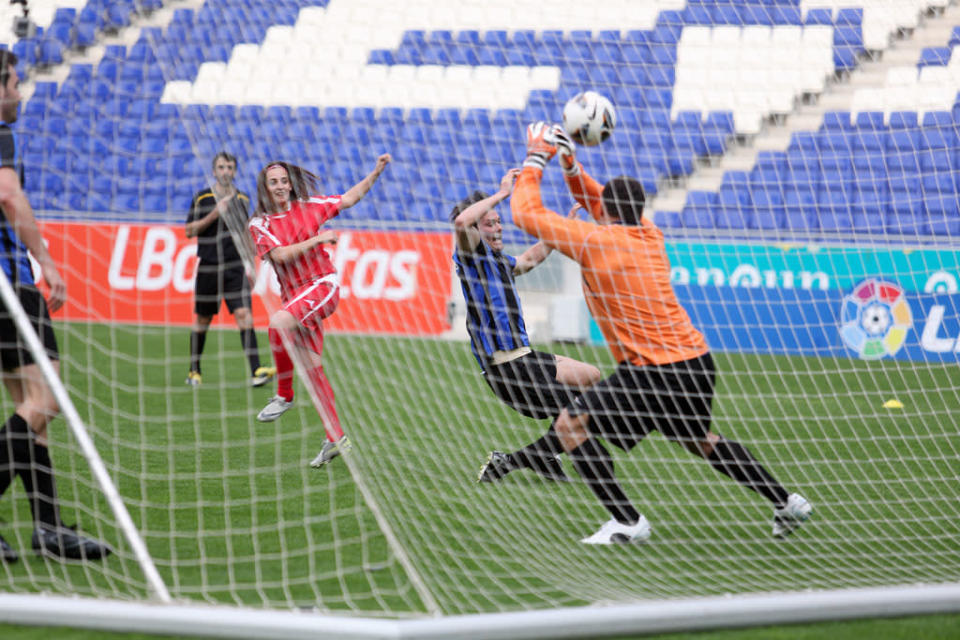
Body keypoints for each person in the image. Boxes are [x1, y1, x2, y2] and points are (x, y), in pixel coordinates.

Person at [510, 122, 812, 544]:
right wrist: (571, 163)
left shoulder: (595, 240)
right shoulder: (649, 233)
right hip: (696, 362)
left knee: (570, 424)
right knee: (700, 440)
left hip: (653, 369)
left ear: (606, 213)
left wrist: (537, 157)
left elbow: (525, 215)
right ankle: (786, 502)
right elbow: (599, 199)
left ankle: (627, 522)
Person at [0, 50, 111, 561]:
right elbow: (9, 197)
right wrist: (45, 260)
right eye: (14, 84)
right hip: (11, 284)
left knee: (28, 405)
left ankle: (47, 527)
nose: (18, 94)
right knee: (46, 399)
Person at [450, 168, 602, 483]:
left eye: (498, 221)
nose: (498, 227)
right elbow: (462, 223)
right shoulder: (470, 256)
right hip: (507, 367)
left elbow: (531, 259)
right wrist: (502, 194)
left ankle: (533, 458)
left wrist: (560, 229)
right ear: (478, 230)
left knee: (592, 378)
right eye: (490, 223)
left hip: (526, 358)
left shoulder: (500, 262)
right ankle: (527, 460)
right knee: (573, 414)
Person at [249, 155, 390, 467]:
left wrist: (376, 171)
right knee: (312, 368)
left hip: (321, 286)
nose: (281, 186)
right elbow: (281, 255)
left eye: (284, 181)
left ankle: (284, 395)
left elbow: (351, 197)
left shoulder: (310, 205)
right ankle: (334, 437)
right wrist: (319, 238)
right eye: (274, 182)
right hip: (295, 296)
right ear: (265, 187)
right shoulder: (259, 224)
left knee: (277, 324)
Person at [184, 151, 276, 388]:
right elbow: (189, 230)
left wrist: (252, 265)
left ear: (234, 172)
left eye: (230, 167)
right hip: (209, 266)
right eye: (221, 167)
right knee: (203, 318)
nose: (226, 171)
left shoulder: (243, 199)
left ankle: (257, 369)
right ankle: (194, 370)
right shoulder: (202, 197)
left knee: (244, 315)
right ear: (214, 171)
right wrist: (215, 213)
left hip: (235, 267)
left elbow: (246, 233)